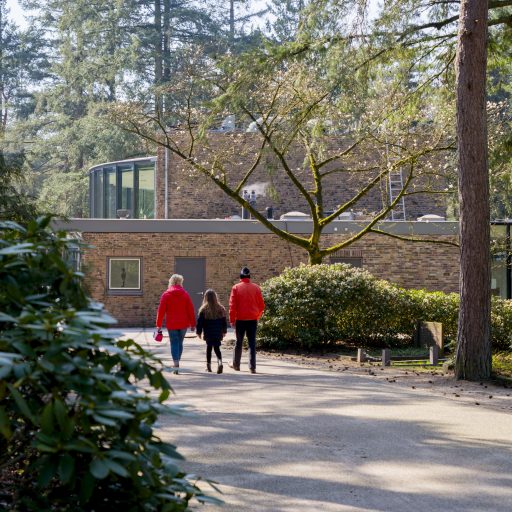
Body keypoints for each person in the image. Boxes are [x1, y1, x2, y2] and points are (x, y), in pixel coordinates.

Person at [156, 274, 195, 374]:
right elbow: (190, 310)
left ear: (171, 282)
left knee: (174, 343)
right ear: (180, 282)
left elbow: (161, 311)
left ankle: (176, 363)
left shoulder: (166, 294)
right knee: (180, 343)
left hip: (172, 324)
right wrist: (193, 324)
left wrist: (158, 324)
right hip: (183, 324)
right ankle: (177, 361)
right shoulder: (185, 294)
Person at [229, 266, 265, 374]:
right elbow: (262, 306)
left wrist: (231, 320)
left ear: (240, 276)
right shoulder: (256, 288)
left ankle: (236, 364)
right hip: (252, 319)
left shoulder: (236, 287)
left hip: (240, 319)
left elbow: (232, 306)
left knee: (239, 343)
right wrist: (256, 316)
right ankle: (252, 367)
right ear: (249, 276)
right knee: (252, 344)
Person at [196, 289, 227, 374]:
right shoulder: (221, 308)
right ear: (215, 297)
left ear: (206, 298)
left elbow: (200, 322)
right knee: (217, 348)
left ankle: (208, 366)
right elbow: (224, 321)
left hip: (208, 332)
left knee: (209, 348)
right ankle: (220, 362)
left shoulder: (203, 309)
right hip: (218, 332)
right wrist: (224, 331)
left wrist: (199, 332)